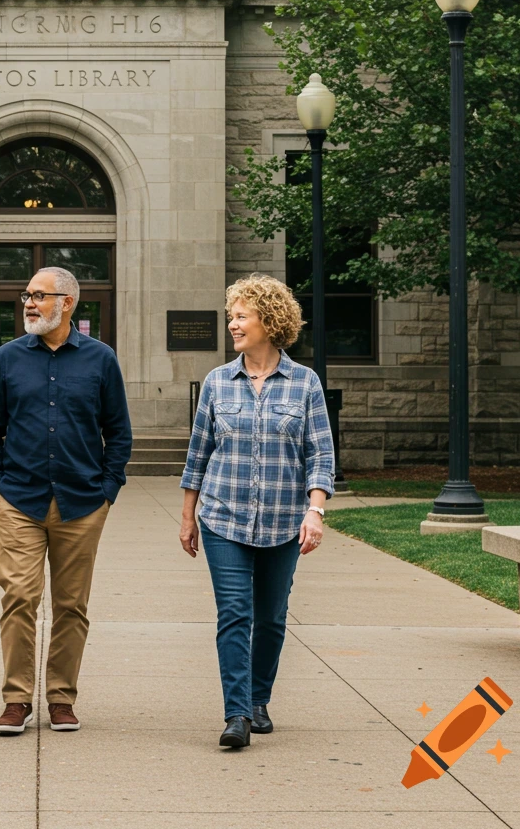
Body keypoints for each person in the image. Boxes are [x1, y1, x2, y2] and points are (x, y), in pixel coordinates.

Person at [0, 267, 132, 735]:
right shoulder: (7, 358)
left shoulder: (101, 361)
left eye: (39, 296)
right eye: (26, 295)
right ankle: (17, 699)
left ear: (67, 303)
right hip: (19, 498)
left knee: (71, 604)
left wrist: (108, 489)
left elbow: (118, 432)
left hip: (83, 502)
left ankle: (61, 697)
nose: (28, 303)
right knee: (19, 596)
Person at [179, 274, 334, 748]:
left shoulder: (305, 384)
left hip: (284, 521)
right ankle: (237, 714)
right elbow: (197, 453)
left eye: (241, 315)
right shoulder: (217, 383)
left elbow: (321, 455)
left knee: (270, 617)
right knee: (234, 614)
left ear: (269, 320)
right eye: (232, 316)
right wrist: (188, 516)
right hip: (223, 518)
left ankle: (259, 698)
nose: (233, 324)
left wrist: (315, 511)